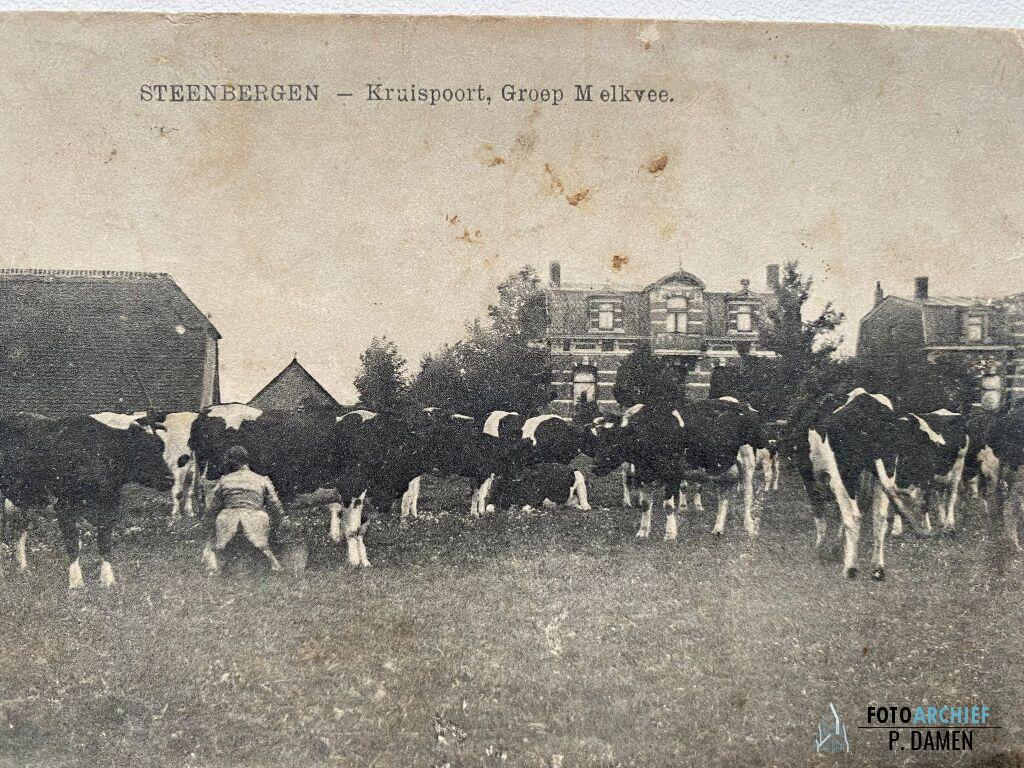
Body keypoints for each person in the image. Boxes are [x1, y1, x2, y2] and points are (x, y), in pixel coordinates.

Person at [201, 445, 285, 572]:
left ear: (230, 463)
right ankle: (272, 562)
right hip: (256, 520)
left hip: (227, 521)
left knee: (218, 541)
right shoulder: (262, 480)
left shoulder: (224, 481)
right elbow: (275, 505)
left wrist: (206, 523)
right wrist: (282, 521)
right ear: (246, 461)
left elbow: (213, 507)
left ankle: (218, 564)